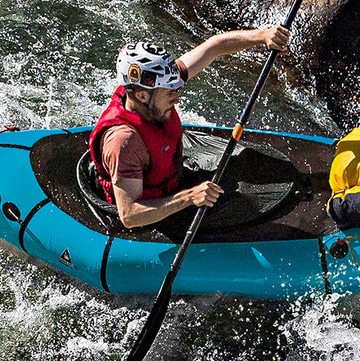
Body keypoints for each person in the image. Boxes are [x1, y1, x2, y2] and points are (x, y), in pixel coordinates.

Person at [88, 27, 290, 230]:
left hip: (171, 181)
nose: (176, 98)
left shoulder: (154, 85)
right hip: (150, 217)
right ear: (142, 96)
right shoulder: (124, 142)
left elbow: (214, 47)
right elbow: (130, 215)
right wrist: (189, 197)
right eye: (170, 93)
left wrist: (262, 36)